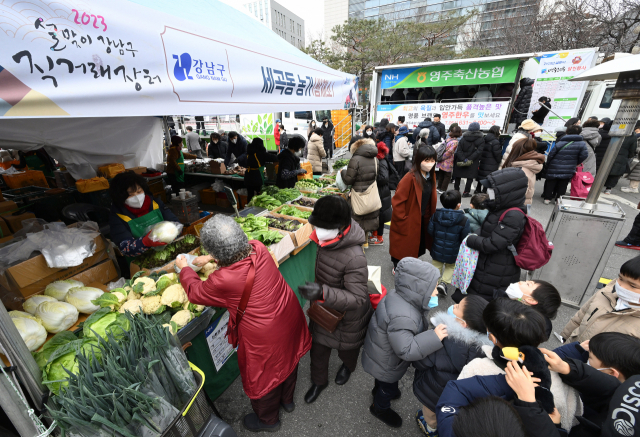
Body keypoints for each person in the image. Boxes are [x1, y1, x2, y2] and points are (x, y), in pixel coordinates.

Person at [176, 215, 311, 432]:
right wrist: (210, 258)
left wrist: (185, 268)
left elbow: (195, 292)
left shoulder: (223, 280)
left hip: (265, 336)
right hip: (288, 314)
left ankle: (269, 421)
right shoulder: (258, 248)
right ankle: (287, 400)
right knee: (288, 359)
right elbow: (236, 254)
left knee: (265, 377)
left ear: (218, 253)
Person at [455, 298, 582, 431]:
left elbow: (458, 407)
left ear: (492, 337)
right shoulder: (558, 371)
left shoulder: (476, 369)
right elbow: (572, 416)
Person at [297, 196, 373, 404]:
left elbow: (358, 298)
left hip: (348, 317)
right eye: (317, 225)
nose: (317, 231)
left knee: (347, 350)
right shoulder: (327, 240)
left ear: (340, 227)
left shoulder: (355, 256)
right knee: (318, 350)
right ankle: (318, 381)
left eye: (323, 226)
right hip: (324, 311)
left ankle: (348, 367)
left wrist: (322, 293)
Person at [362, 258, 444, 428]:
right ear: (419, 289)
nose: (436, 293)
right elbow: (406, 349)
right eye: (434, 287)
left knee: (384, 382)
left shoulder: (398, 296)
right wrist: (434, 337)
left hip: (382, 356)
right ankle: (379, 407)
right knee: (387, 385)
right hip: (387, 363)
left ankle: (379, 390)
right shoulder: (404, 316)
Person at [413, 295, 491, 436]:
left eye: (457, 307)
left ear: (463, 324)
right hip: (456, 399)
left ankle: (430, 429)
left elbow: (420, 362)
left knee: (430, 415)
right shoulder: (488, 350)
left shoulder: (442, 337)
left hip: (432, 392)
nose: (453, 306)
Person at [542, 334, 640, 437]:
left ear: (611, 373)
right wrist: (569, 366)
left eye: (589, 357)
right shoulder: (623, 389)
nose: (586, 358)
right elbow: (611, 386)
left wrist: (557, 427)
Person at [460, 168, 528, 302]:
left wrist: (470, 239)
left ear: (506, 191)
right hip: (489, 265)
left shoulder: (514, 215)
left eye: (492, 188)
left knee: (483, 304)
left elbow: (493, 244)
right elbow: (487, 229)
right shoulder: (500, 207)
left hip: (497, 270)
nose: (488, 191)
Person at [561, 255, 640, 343]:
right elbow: (581, 314)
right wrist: (566, 335)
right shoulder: (606, 292)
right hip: (572, 346)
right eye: (620, 278)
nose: (621, 285)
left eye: (632, 285)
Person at [108, 171, 180, 258]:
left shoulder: (156, 203)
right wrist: (145, 242)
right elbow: (125, 248)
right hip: (143, 260)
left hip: (170, 252)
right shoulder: (117, 216)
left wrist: (169, 236)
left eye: (139, 191)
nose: (136, 197)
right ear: (120, 197)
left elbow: (175, 223)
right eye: (130, 195)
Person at [389, 146, 437, 272]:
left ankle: (411, 262)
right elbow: (397, 201)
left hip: (422, 217)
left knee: (417, 243)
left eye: (432, 160)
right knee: (402, 244)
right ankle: (397, 265)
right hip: (409, 217)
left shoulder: (431, 176)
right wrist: (403, 218)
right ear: (418, 160)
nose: (430, 164)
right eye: (426, 160)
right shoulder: (409, 178)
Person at [428, 190, 471, 294]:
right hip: (453, 250)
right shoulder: (464, 220)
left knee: (436, 265)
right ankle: (444, 283)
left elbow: (430, 231)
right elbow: (465, 237)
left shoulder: (435, 216)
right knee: (450, 266)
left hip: (437, 247)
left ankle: (434, 283)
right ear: (459, 205)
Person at [341, 136, 380, 240]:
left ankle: (358, 247)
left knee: (357, 222)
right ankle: (365, 241)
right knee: (367, 220)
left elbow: (348, 180)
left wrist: (343, 172)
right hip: (371, 195)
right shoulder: (375, 159)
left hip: (358, 196)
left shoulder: (355, 159)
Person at [543, 124, 588, 204]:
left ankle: (547, 198)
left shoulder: (561, 142)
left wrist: (548, 163)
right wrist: (576, 162)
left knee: (551, 182)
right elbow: (584, 155)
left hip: (555, 165)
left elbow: (551, 154)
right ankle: (558, 199)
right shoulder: (582, 144)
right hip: (569, 166)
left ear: (567, 131)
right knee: (563, 184)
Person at [370, 133, 396, 245]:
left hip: (381, 191)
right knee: (377, 214)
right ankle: (375, 235)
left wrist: (373, 179)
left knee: (380, 216)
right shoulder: (381, 160)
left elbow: (383, 178)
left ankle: (379, 238)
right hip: (381, 191)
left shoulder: (382, 162)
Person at [503, 138, 545, 206]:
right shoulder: (529, 164)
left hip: (515, 207)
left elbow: (516, 194)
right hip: (524, 204)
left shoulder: (520, 170)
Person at [453, 122, 484, 197]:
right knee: (470, 177)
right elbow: (479, 151)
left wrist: (463, 158)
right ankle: (466, 192)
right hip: (473, 161)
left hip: (461, 159)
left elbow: (459, 150)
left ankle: (456, 191)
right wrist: (469, 159)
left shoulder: (463, 138)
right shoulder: (481, 139)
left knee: (458, 175)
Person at [603, 129, 637, 194]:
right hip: (622, 156)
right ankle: (608, 188)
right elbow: (633, 149)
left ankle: (596, 185)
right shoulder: (632, 135)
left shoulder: (614, 130)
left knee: (603, 169)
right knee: (616, 172)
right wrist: (628, 156)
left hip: (608, 153)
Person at [477, 125, 503, 194]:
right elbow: (496, 153)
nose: (500, 132)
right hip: (492, 162)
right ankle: (484, 191)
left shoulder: (485, 138)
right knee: (488, 177)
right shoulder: (495, 141)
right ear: (496, 131)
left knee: (481, 175)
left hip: (484, 160)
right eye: (500, 130)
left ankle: (478, 189)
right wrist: (499, 161)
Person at [436, 126, 461, 193]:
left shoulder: (448, 139)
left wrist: (440, 157)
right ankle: (443, 189)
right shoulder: (455, 141)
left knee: (441, 174)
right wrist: (442, 157)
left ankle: (439, 187)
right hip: (447, 160)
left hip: (441, 159)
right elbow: (450, 152)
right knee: (447, 175)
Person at [621, 122, 640, 193]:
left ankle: (633, 188)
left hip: (638, 158)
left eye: (637, 131)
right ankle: (631, 187)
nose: (636, 132)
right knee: (635, 173)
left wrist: (636, 149)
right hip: (637, 158)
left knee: (637, 174)